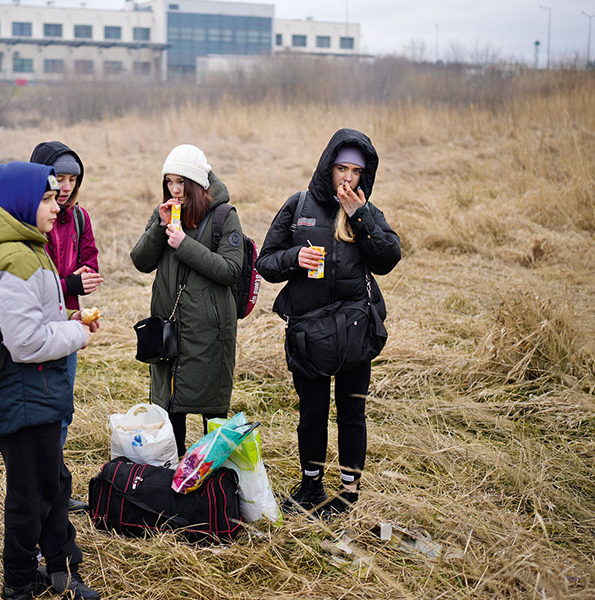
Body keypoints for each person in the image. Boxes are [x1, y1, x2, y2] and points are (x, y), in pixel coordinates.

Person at [0, 161, 101, 600]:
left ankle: (62, 570)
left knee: (53, 484)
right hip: (20, 393)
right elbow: (23, 342)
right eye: (46, 198)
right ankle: (19, 585)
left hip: (37, 392)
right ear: (25, 202)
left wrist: (67, 316)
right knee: (30, 497)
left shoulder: (29, 247)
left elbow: (35, 319)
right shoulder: (15, 258)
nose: (56, 203)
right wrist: (77, 334)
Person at [255, 129, 401, 517]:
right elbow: (265, 262)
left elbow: (388, 258)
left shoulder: (367, 212)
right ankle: (311, 486)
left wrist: (362, 216)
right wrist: (294, 259)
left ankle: (349, 491)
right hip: (308, 332)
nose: (347, 178)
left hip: (355, 331)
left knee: (352, 412)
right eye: (341, 168)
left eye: (355, 171)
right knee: (312, 413)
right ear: (328, 167)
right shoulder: (299, 205)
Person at [130, 144, 243, 457]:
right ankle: (173, 484)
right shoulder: (164, 213)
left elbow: (231, 269)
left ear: (197, 184)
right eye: (169, 182)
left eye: (181, 183)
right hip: (168, 329)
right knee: (170, 409)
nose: (174, 190)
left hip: (210, 332)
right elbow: (140, 261)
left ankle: (215, 486)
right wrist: (160, 227)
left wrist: (183, 245)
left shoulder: (224, 216)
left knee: (212, 413)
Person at [29, 141, 102, 513]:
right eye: (60, 177)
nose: (67, 186)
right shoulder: (32, 218)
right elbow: (31, 283)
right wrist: (70, 283)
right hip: (35, 330)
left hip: (69, 323)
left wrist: (85, 279)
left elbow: (89, 259)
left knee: (62, 408)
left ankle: (55, 489)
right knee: (40, 412)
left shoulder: (78, 217)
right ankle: (40, 492)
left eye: (74, 178)